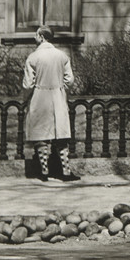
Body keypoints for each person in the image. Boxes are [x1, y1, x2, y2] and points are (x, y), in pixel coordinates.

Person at [22, 25, 80, 182]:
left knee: (41, 135)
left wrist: (26, 98)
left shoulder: (33, 57)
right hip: (57, 95)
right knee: (60, 135)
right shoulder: (62, 56)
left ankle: (44, 171)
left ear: (41, 37)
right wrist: (61, 90)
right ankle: (66, 172)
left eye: (36, 35)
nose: (34, 37)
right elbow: (70, 80)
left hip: (40, 97)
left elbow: (28, 84)